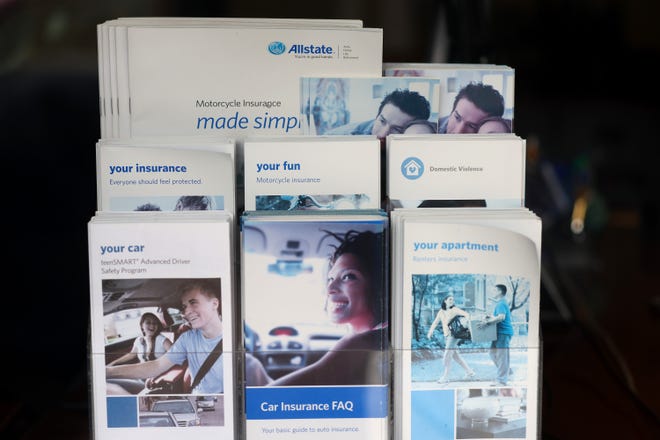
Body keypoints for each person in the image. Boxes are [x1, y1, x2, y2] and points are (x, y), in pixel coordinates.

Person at [107, 280, 271, 393]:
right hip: (196, 400)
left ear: (215, 304)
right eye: (184, 306)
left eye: (194, 302)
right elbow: (156, 366)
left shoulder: (240, 340)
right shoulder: (187, 339)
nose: (186, 312)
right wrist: (109, 371)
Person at [270, 229, 387, 386]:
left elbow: (274, 396)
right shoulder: (378, 336)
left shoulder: (363, 342)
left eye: (348, 276)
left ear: (379, 285)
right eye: (330, 278)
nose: (330, 288)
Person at [325, 88, 431, 141]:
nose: (383, 134)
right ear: (377, 116)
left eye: (397, 129)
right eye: (382, 121)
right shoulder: (338, 138)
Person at [106, 312, 173, 394]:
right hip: (138, 376)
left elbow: (175, 358)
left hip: (151, 382)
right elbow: (131, 355)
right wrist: (114, 363)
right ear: (142, 325)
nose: (152, 326)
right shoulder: (139, 340)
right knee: (107, 379)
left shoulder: (163, 340)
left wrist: (159, 377)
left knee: (108, 384)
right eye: (148, 322)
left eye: (154, 323)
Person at [426, 295, 476, 383]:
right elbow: (435, 322)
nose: (452, 301)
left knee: (447, 356)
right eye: (450, 299)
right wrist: (430, 332)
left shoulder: (455, 310)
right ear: (445, 301)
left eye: (453, 300)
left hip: (454, 336)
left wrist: (466, 322)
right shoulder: (441, 311)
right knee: (456, 357)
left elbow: (467, 314)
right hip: (447, 336)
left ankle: (445, 377)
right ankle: (470, 372)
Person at [437, 82, 508, 134]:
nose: (458, 132)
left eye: (472, 126)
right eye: (457, 117)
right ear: (452, 111)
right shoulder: (431, 129)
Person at [480, 284, 514, 385]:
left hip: (503, 333)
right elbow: (498, 316)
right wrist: (490, 317)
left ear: (499, 292)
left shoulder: (501, 303)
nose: (492, 292)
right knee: (492, 353)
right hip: (499, 333)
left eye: (494, 290)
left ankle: (502, 380)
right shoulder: (501, 303)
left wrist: (487, 322)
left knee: (501, 356)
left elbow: (501, 317)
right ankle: (507, 371)